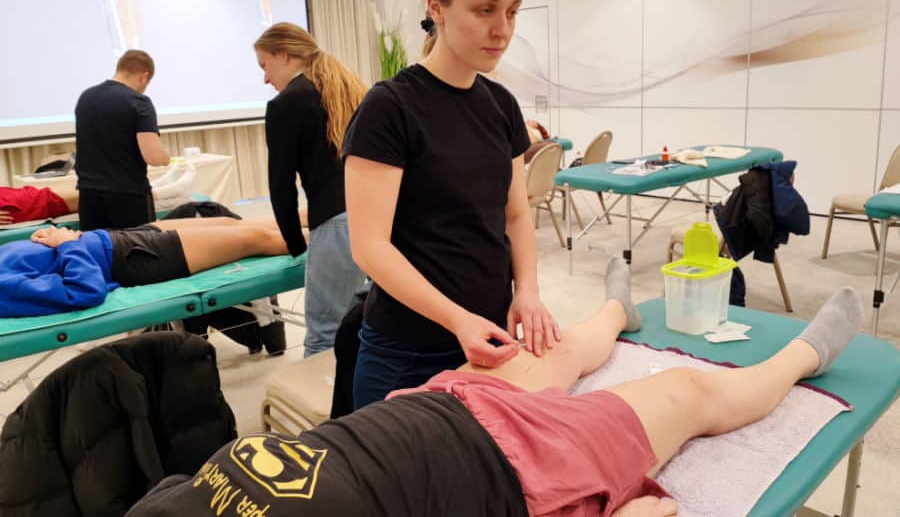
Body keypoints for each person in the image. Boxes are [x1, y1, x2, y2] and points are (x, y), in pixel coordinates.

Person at [123, 256, 863, 517]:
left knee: (550, 353)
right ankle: (806, 355)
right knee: (685, 392)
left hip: (422, 412)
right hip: (516, 472)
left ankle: (618, 311)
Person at [342, 0, 560, 409]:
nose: (502, 30)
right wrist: (457, 319)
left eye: (512, 11)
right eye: (485, 10)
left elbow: (516, 215)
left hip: (490, 340)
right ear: (436, 7)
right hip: (407, 350)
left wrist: (527, 290)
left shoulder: (501, 105)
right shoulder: (390, 107)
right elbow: (370, 247)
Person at [254, 22, 368, 357]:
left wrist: (294, 243)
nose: (265, 79)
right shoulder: (348, 87)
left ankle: (329, 395)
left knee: (324, 337)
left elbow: (281, 184)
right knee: (367, 324)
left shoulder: (286, 104)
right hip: (376, 216)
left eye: (264, 66)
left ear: (283, 55)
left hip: (336, 224)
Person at [0, 215, 287, 318]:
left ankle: (313, 212)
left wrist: (47, 238)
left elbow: (37, 264)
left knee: (228, 223)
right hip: (130, 259)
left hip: (115, 240)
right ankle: (316, 240)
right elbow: (84, 290)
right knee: (255, 239)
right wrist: (66, 244)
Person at [75, 50, 171, 231]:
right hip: (128, 196)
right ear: (144, 77)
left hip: (89, 195)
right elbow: (153, 156)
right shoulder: (138, 102)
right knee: (137, 247)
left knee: (96, 247)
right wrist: (167, 158)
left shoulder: (86, 97)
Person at [0, 163, 195, 226]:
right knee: (96, 195)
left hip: (7, 196)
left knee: (85, 189)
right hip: (11, 207)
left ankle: (154, 186)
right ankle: (166, 191)